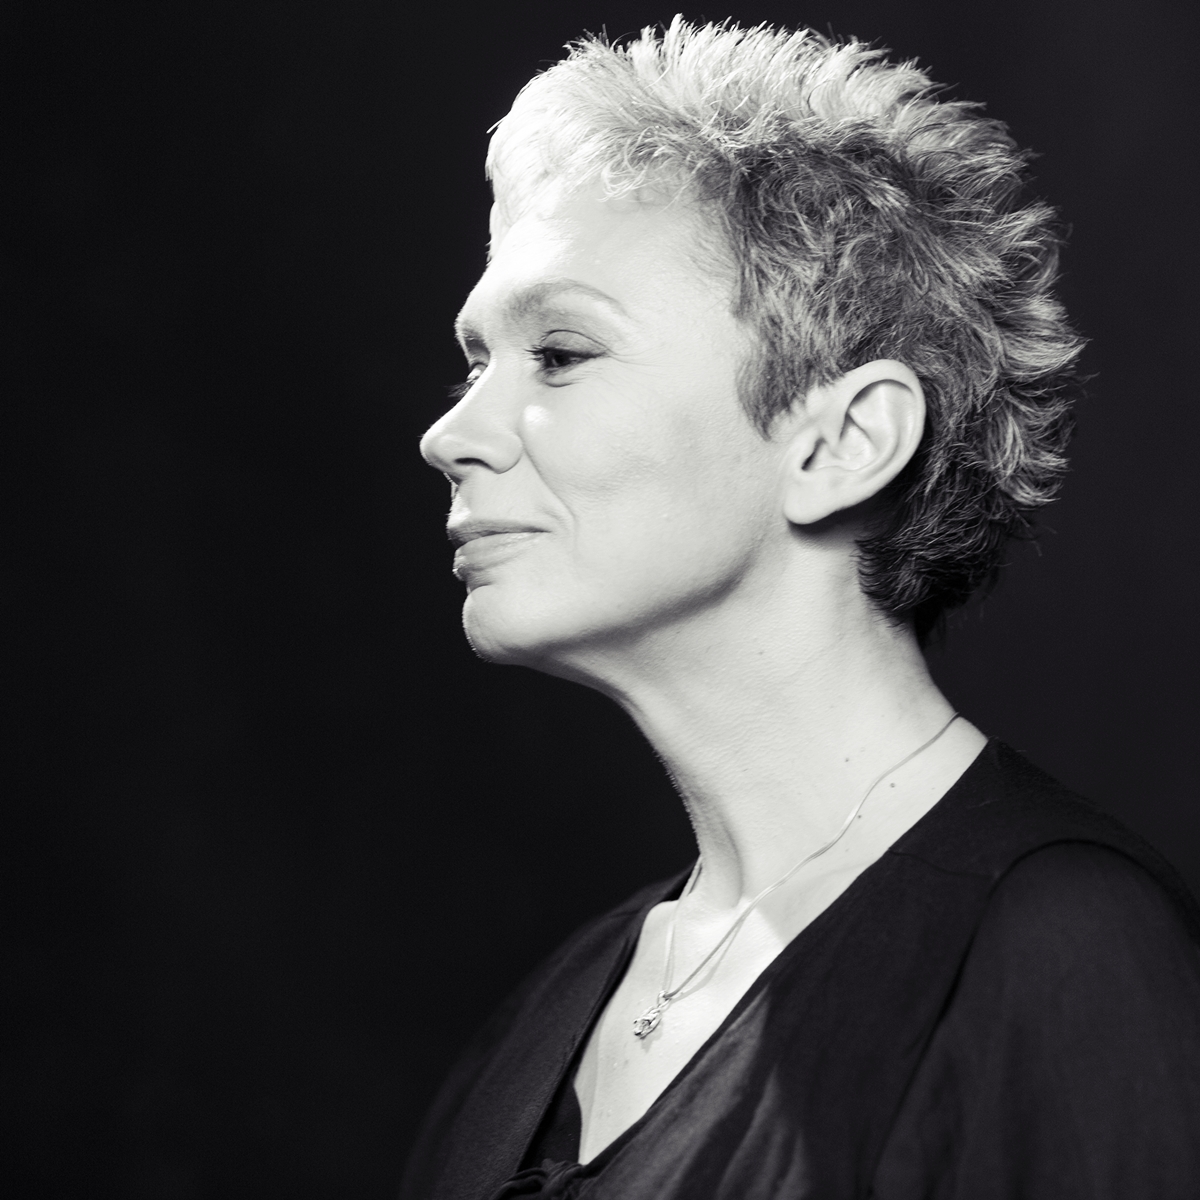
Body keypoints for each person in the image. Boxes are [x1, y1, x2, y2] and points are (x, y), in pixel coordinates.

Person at [404, 18, 1200, 1199]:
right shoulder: (554, 1015)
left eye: (560, 354)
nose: (449, 435)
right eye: (479, 362)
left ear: (843, 442)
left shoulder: (1063, 956)